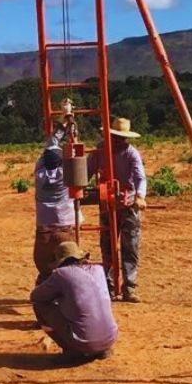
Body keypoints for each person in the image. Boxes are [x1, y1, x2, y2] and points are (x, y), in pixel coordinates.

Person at [88, 117, 147, 302]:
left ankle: (129, 287)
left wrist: (140, 196)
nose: (118, 141)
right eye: (115, 137)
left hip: (128, 206)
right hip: (107, 206)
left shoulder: (131, 153)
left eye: (122, 138)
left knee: (130, 247)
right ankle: (109, 286)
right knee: (107, 247)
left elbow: (140, 178)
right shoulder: (99, 151)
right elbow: (87, 173)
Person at [30, 240, 118, 361]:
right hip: (110, 337)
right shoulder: (98, 269)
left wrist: (57, 295)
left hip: (84, 341)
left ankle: (71, 349)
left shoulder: (61, 274)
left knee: (40, 306)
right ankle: (101, 349)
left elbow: (35, 296)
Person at [33, 123, 77, 281]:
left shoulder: (39, 172)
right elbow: (75, 156)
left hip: (43, 227)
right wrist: (69, 129)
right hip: (64, 226)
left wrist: (60, 130)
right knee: (68, 262)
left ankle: (45, 289)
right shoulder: (66, 173)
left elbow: (49, 147)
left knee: (44, 267)